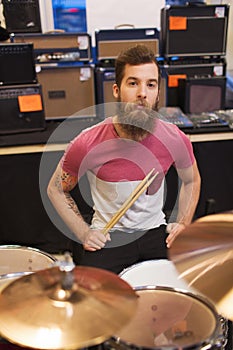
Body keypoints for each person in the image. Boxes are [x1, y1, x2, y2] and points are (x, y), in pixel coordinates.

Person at [47, 44, 201, 274]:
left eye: (151, 84)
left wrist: (183, 223)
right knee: (96, 301)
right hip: (109, 236)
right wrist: (83, 233)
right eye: (133, 83)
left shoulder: (174, 138)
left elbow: (191, 180)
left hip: (155, 233)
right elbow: (56, 189)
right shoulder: (87, 142)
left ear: (158, 92)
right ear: (116, 90)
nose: (142, 93)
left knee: (180, 293)